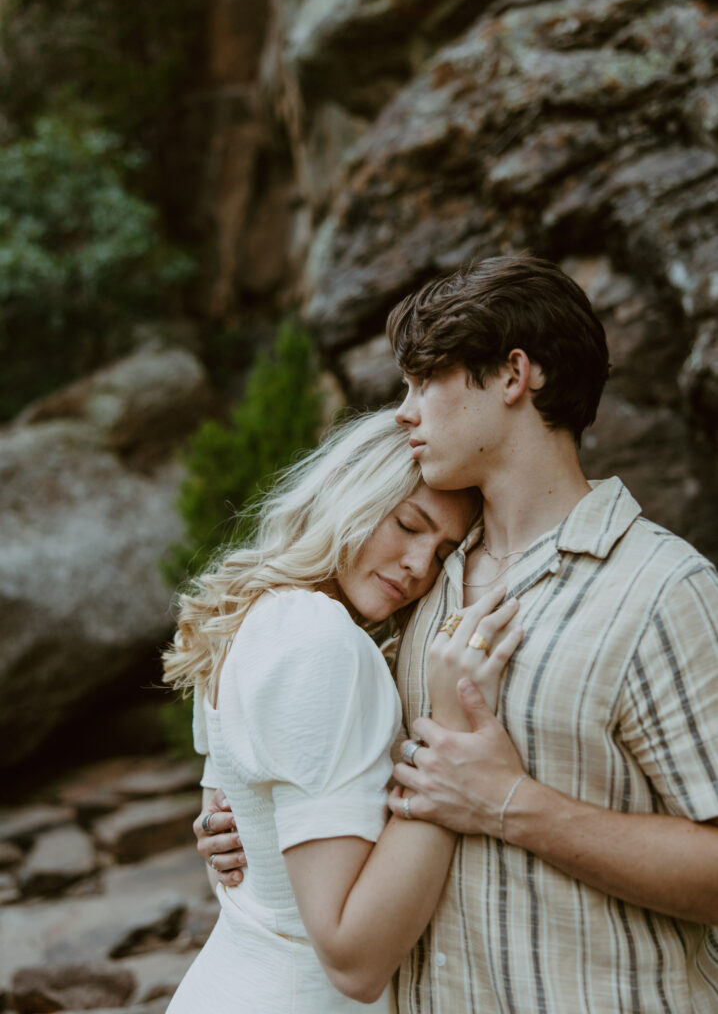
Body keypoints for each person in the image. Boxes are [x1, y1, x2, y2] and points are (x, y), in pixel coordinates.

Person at [198, 256, 718, 1012]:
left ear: (513, 376)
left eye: (423, 383)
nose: (404, 411)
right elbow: (321, 758)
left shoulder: (663, 591)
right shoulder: (412, 588)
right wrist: (245, 812)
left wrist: (512, 802)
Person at [162, 409, 522, 1013]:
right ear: (349, 492)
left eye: (442, 554)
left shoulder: (252, 614)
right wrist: (450, 738)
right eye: (409, 525)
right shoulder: (318, 637)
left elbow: (227, 828)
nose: (418, 567)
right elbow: (354, 959)